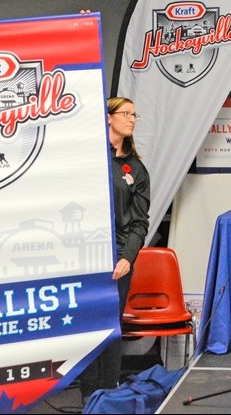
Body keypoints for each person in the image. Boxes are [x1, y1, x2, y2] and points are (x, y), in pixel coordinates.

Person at [80, 96, 150, 403]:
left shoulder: (136, 169)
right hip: (86, 254)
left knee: (110, 327)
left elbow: (139, 222)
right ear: (109, 117)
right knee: (87, 326)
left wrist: (127, 258)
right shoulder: (90, 158)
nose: (133, 119)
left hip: (120, 256)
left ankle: (107, 394)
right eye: (126, 113)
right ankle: (87, 393)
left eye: (135, 115)